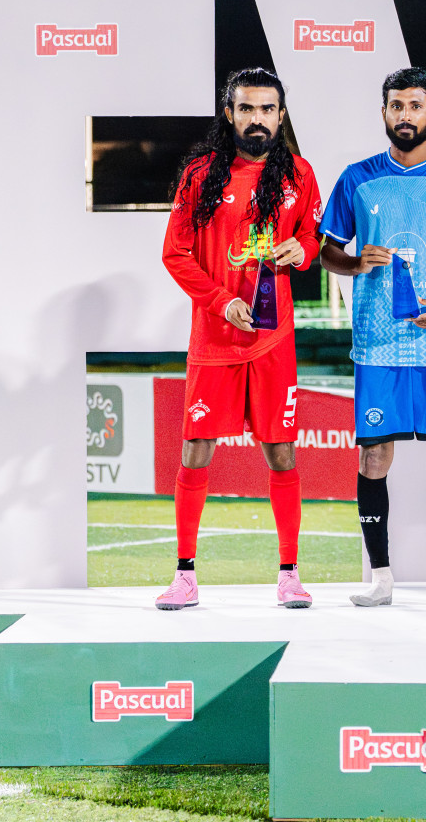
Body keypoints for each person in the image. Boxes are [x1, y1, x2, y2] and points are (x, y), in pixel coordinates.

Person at [156, 67, 322, 610]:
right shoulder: (201, 175)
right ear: (229, 113)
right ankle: (184, 575)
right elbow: (174, 253)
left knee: (280, 452)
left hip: (273, 341)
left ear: (280, 114)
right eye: (246, 109)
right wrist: (221, 301)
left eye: (267, 109)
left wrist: (303, 252)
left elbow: (310, 239)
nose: (257, 119)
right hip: (215, 338)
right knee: (195, 449)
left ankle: (290, 574)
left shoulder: (300, 174)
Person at [319, 67, 426, 608]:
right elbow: (327, 253)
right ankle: (381, 580)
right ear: (384, 112)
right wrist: (353, 260)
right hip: (377, 343)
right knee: (373, 461)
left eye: (415, 106)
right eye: (396, 106)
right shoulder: (356, 178)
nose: (405, 115)